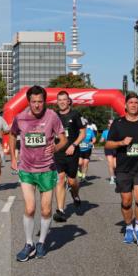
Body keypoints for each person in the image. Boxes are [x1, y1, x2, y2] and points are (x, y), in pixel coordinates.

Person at [9, 86, 67, 261]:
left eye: (40, 101)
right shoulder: (20, 118)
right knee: (29, 207)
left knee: (46, 209)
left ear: (44, 101)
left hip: (46, 169)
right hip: (27, 169)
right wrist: (13, 157)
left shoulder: (52, 116)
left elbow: (63, 139)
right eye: (33, 102)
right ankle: (29, 244)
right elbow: (12, 135)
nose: (37, 105)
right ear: (28, 102)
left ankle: (41, 241)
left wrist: (56, 147)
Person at [105, 92, 138, 248]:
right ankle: (129, 227)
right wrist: (121, 142)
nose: (134, 105)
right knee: (126, 201)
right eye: (131, 102)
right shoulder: (118, 123)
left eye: (136, 102)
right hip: (123, 168)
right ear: (126, 105)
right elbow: (108, 145)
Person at [52, 91, 85, 222]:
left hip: (72, 152)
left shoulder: (75, 114)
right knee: (60, 179)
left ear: (68, 101)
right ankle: (60, 210)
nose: (62, 102)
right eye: (59, 100)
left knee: (72, 181)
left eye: (64, 99)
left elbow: (82, 133)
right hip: (58, 153)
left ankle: (75, 195)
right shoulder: (54, 115)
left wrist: (74, 145)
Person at [101, 119, 116, 184]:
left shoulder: (117, 131)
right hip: (108, 148)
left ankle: (115, 175)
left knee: (115, 165)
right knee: (110, 163)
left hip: (116, 148)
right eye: (110, 123)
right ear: (108, 124)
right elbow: (102, 139)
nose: (111, 124)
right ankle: (112, 178)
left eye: (112, 123)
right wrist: (101, 140)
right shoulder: (105, 132)